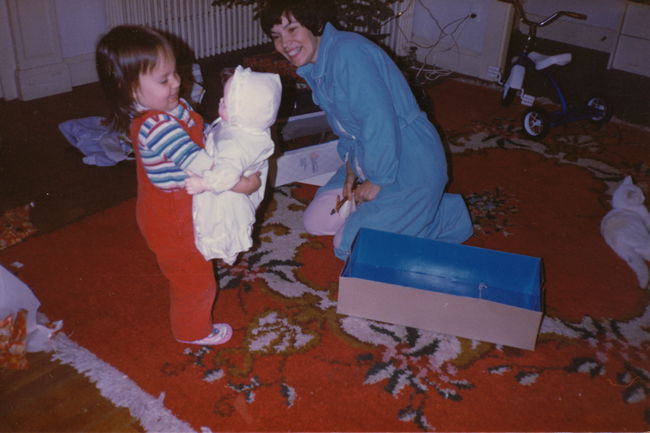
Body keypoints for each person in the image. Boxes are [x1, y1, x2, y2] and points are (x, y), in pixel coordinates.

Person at [259, 0, 473, 260]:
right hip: (369, 155)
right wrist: (351, 168)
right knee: (317, 222)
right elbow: (348, 129)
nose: (285, 43)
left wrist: (378, 180)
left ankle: (440, 215)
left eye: (292, 29)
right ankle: (401, 212)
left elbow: (378, 121)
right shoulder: (317, 66)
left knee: (349, 247)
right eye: (277, 36)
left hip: (410, 160)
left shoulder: (349, 53)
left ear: (313, 23)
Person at [95, 25, 261, 345]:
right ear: (128, 88)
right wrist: (244, 184)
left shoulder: (168, 108)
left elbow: (200, 133)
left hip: (180, 207)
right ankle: (192, 331)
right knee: (195, 281)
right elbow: (205, 167)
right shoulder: (155, 126)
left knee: (190, 266)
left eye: (174, 74)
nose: (176, 83)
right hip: (171, 219)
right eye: (163, 79)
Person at [185, 65, 282, 265]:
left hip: (225, 192)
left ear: (246, 113)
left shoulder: (236, 144)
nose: (221, 101)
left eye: (228, 103)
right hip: (231, 182)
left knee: (219, 222)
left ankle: (224, 249)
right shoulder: (248, 126)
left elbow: (227, 174)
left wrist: (204, 184)